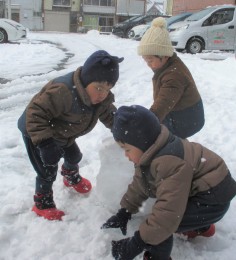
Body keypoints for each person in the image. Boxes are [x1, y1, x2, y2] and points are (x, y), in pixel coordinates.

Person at [101, 105, 236, 260]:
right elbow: (140, 184)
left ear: (141, 142)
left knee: (162, 226)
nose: (126, 155)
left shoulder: (168, 162)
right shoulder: (151, 151)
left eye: (127, 149)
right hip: (207, 191)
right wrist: (124, 212)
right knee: (169, 216)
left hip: (213, 199)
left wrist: (134, 245)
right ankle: (200, 227)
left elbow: (165, 218)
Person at [18, 50, 124, 221]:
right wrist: (45, 143)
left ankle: (70, 176)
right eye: (98, 87)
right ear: (85, 81)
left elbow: (108, 114)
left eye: (107, 89)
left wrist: (123, 128)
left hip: (63, 132)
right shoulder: (62, 91)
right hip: (36, 131)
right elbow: (36, 113)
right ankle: (42, 203)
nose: (102, 94)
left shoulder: (99, 98)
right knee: (47, 169)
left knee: (75, 155)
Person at [137, 17, 205, 138]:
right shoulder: (167, 65)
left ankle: (176, 151)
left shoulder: (174, 75)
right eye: (145, 60)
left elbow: (163, 103)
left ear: (165, 56)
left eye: (150, 60)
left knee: (161, 136)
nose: (148, 64)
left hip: (187, 118)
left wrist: (146, 123)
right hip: (183, 112)